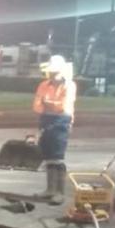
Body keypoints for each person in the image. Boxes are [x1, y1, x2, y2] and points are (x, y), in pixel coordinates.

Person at [33, 55, 75, 205]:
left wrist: (47, 104)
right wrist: (51, 105)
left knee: (57, 158)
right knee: (48, 157)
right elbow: (37, 106)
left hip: (61, 122)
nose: (51, 74)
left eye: (54, 71)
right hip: (46, 120)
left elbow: (63, 107)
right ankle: (50, 190)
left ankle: (60, 193)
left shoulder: (69, 85)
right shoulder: (43, 85)